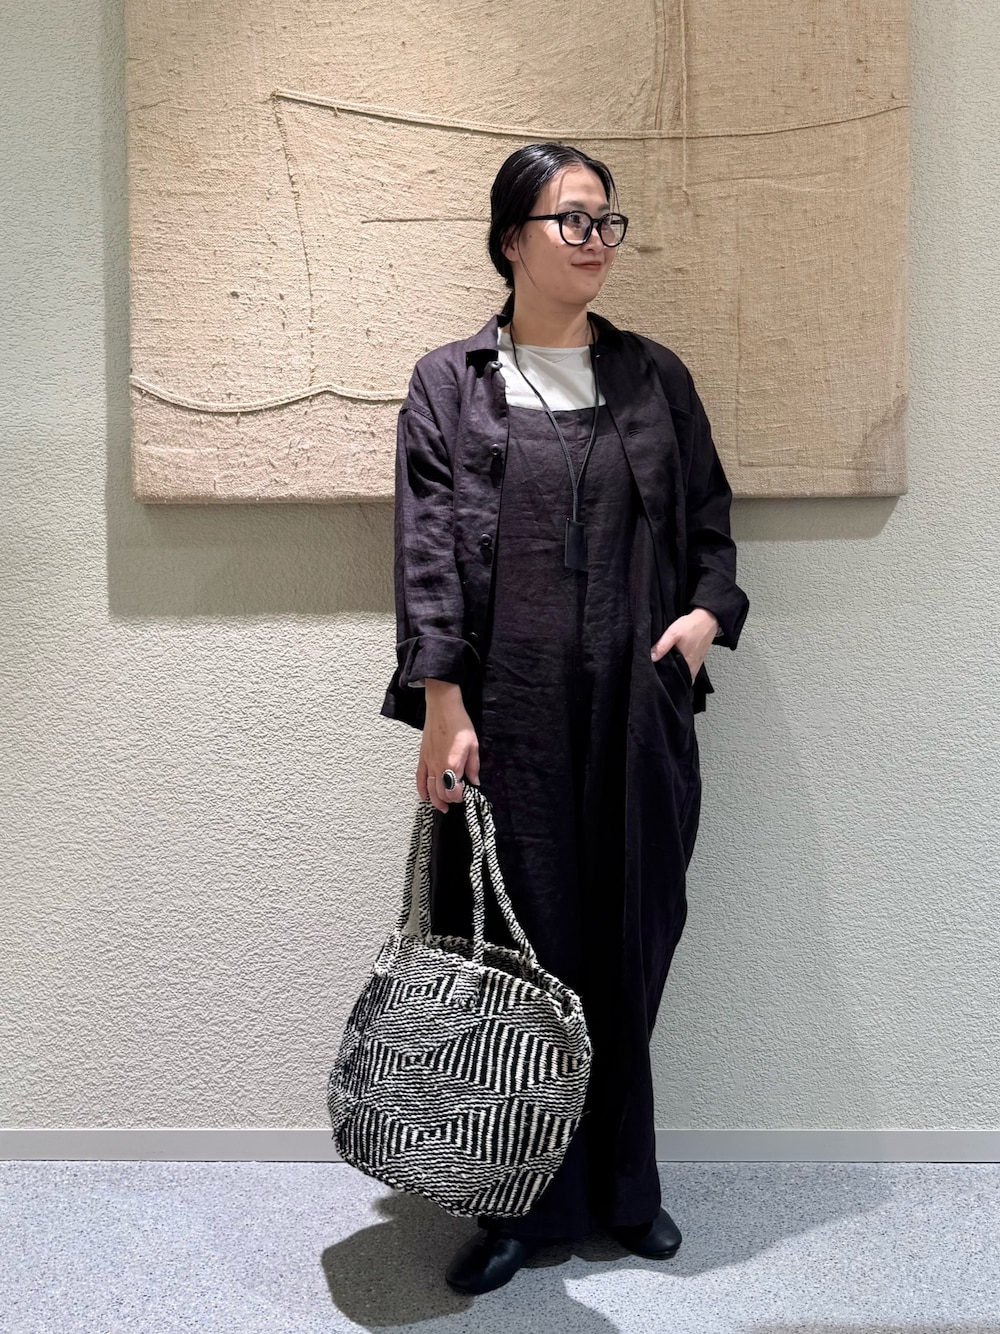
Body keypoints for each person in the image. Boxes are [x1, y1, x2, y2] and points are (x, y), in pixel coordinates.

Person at [380, 142, 749, 1294]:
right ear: (511, 241)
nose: (594, 240)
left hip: (639, 712)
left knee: (631, 937)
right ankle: (514, 1206)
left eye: (605, 221)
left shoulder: (653, 378)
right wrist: (442, 701)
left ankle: (625, 1190)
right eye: (571, 219)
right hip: (508, 716)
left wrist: (705, 615)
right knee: (511, 955)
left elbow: (710, 522)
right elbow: (425, 549)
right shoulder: (449, 383)